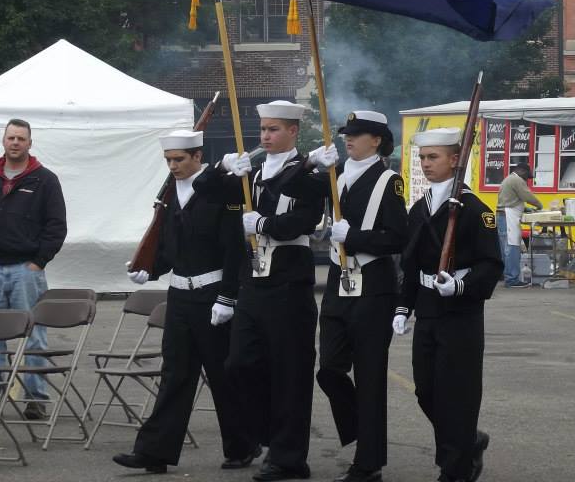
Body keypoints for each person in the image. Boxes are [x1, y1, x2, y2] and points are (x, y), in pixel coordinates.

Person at [113, 130, 260, 474]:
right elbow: (168, 248)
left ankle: (242, 444)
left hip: (212, 296)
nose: (173, 166)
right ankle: (154, 452)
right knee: (175, 374)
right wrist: (147, 271)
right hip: (179, 296)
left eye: (179, 159)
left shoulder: (220, 190)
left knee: (223, 375)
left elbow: (234, 249)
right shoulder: (168, 196)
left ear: (197, 156)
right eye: (168, 160)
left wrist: (227, 298)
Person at [206, 100, 323, 482]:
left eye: (274, 129)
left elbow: (305, 219)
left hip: (289, 282)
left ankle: (289, 458)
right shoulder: (250, 173)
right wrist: (223, 167)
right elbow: (202, 191)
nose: (265, 136)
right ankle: (265, 436)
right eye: (263, 129)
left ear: (293, 131)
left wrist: (265, 223)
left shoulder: (308, 171)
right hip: (253, 283)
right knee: (238, 364)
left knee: (290, 373)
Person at [291, 111, 408, 482]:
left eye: (357, 135)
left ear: (376, 140)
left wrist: (353, 236)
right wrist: (310, 161)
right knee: (329, 369)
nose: (348, 139)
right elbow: (289, 187)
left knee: (371, 376)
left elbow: (398, 238)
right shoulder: (335, 176)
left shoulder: (390, 181)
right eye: (347, 134)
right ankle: (363, 427)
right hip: (340, 283)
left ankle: (368, 463)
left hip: (374, 284)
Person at [393, 127, 503, 482]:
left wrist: (460, 285)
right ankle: (468, 441)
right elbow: (410, 264)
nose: (426, 164)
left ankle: (455, 468)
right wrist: (402, 307)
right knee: (426, 389)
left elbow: (491, 265)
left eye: (433, 157)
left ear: (455, 160)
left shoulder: (473, 209)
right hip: (427, 309)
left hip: (460, 313)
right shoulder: (419, 208)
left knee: (457, 393)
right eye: (423, 158)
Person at [0, 118, 67, 421]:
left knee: (33, 335)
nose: (16, 143)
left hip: (26, 270)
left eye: (22, 138)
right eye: (11, 137)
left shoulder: (44, 180)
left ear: (30, 143)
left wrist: (39, 261)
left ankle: (35, 398)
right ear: (3, 141)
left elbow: (56, 225)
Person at [496, 162, 542, 288]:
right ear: (522, 171)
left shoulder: (509, 179)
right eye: (527, 176)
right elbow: (527, 196)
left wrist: (525, 209)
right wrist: (539, 206)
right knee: (512, 248)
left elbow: (511, 199)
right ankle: (512, 280)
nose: (527, 180)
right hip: (508, 217)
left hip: (503, 216)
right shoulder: (517, 179)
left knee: (505, 249)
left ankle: (506, 276)